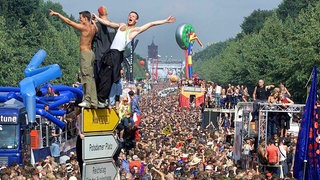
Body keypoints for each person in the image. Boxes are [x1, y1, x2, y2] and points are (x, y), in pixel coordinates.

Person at [93, 10, 175, 105]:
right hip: (110, 52)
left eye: (133, 16)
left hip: (117, 54)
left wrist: (165, 21)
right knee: (102, 73)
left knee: (108, 76)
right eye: (130, 15)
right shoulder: (122, 25)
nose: (130, 17)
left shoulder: (135, 30)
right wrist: (97, 18)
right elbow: (108, 23)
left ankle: (102, 99)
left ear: (136, 20)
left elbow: (151, 24)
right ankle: (100, 97)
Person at [49, 9, 99, 108]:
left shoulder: (84, 27)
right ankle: (93, 101)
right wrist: (93, 21)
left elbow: (69, 22)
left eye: (81, 18)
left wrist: (58, 14)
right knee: (90, 78)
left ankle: (87, 100)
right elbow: (96, 27)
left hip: (85, 54)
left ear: (85, 18)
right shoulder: (94, 27)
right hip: (91, 53)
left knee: (85, 77)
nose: (80, 20)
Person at [92, 6, 115, 91]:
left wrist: (93, 22)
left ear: (98, 14)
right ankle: (104, 100)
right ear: (107, 13)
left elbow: (91, 37)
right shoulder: (113, 26)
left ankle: (98, 99)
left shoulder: (97, 25)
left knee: (98, 79)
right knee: (107, 80)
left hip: (100, 55)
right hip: (110, 57)